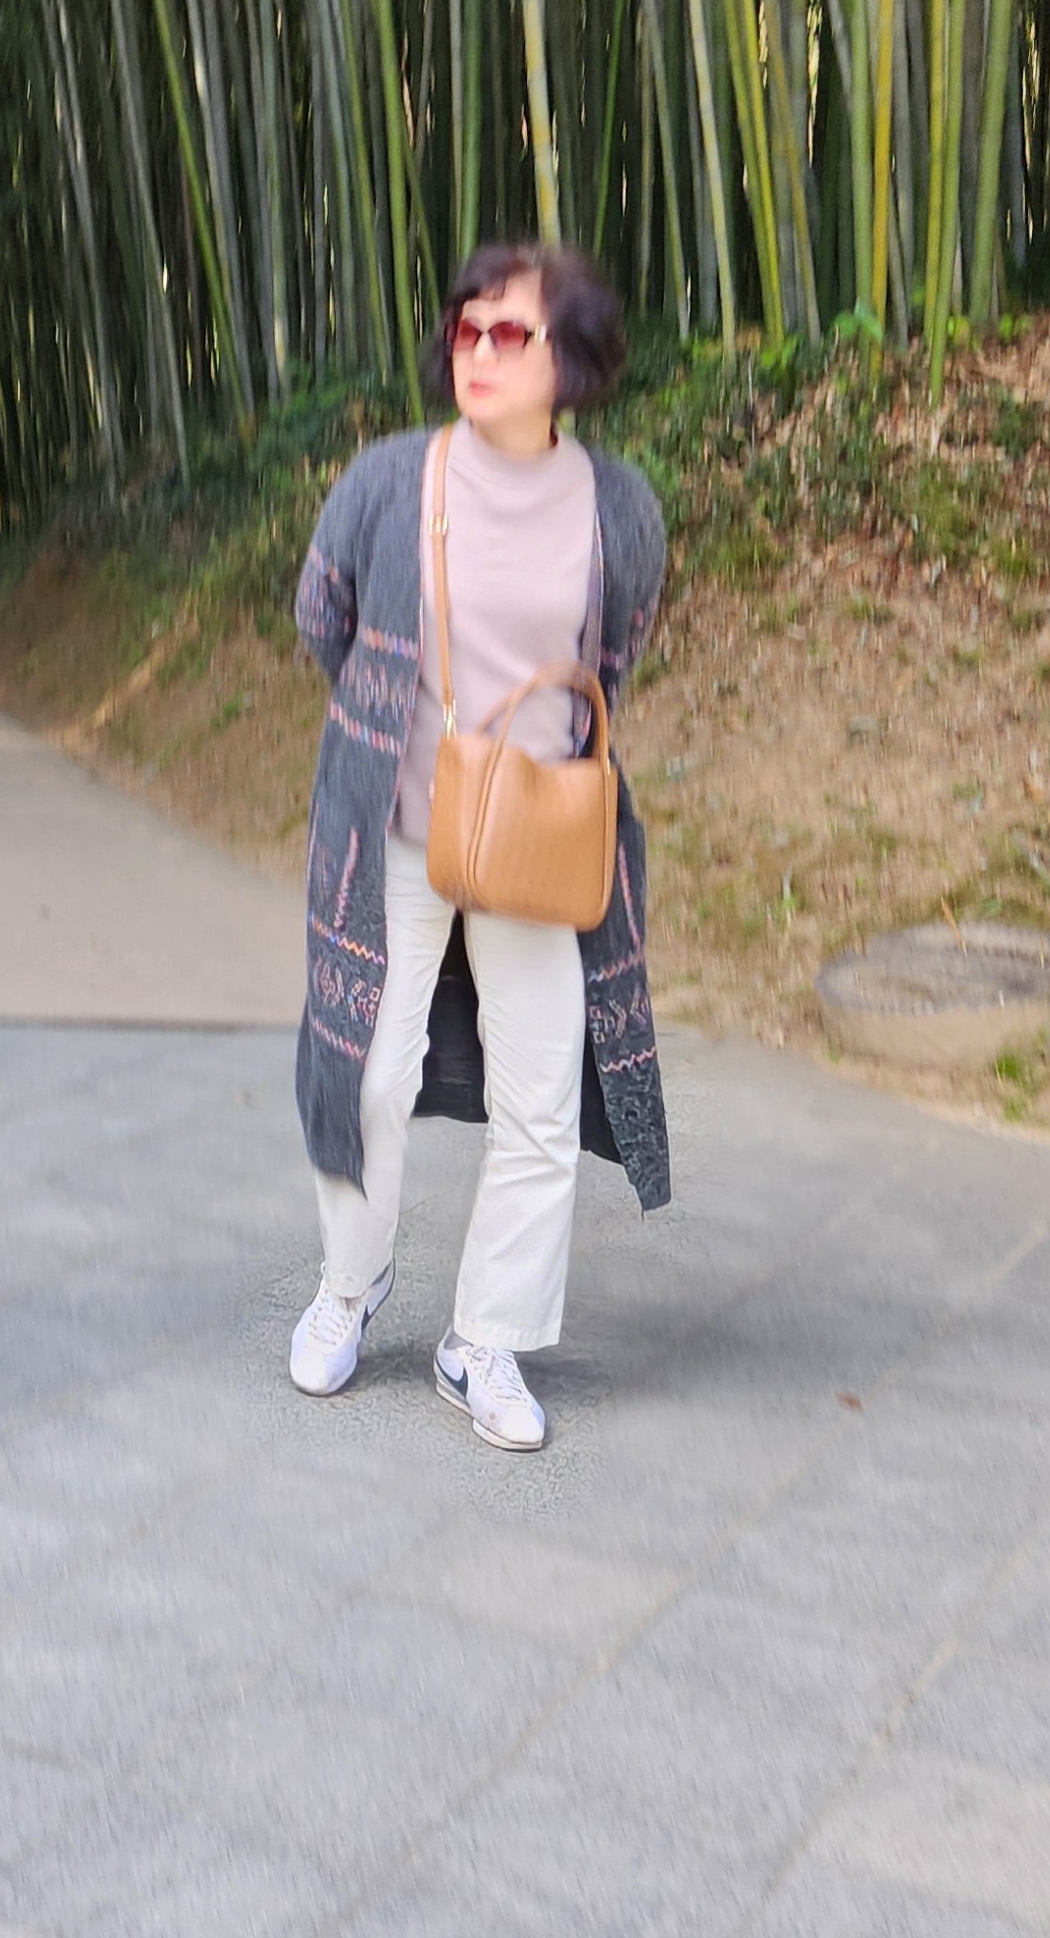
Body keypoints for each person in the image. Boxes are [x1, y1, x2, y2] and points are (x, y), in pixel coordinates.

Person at [283, 241, 671, 1451]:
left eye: (510, 333)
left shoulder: (617, 505)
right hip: (395, 826)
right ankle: (349, 1285)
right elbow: (323, 615)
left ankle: (484, 1340)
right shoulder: (393, 479)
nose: (478, 350)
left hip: (536, 834)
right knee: (368, 1073)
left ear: (574, 361)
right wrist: (391, 721)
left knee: (540, 1099)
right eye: (466, 328)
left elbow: (613, 651)